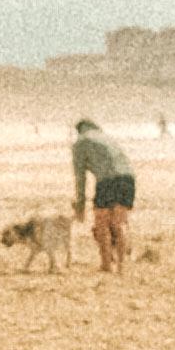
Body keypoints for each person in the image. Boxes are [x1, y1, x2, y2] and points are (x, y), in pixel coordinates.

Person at [73, 114, 137, 270]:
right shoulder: (107, 138)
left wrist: (80, 205)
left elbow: (80, 177)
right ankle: (122, 264)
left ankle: (106, 264)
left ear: (79, 130)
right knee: (118, 223)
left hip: (107, 180)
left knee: (102, 225)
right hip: (128, 179)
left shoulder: (80, 143)